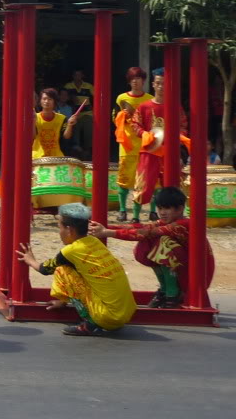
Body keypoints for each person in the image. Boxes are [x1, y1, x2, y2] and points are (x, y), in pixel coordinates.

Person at [16, 203, 136, 337]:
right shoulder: (94, 241)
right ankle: (65, 302)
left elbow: (45, 269)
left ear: (69, 230)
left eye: (59, 227)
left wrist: (30, 260)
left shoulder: (70, 251)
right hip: (126, 313)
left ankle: (90, 325)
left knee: (63, 270)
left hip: (107, 317)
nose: (59, 232)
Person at [90, 186, 214, 309]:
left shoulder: (183, 224)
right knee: (148, 243)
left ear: (180, 209)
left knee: (162, 241)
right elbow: (141, 227)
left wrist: (108, 232)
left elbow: (144, 233)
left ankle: (172, 294)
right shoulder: (165, 222)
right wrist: (107, 227)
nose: (162, 212)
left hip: (197, 275)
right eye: (160, 208)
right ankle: (165, 289)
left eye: (167, 208)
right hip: (184, 267)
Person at [134, 68, 187, 224]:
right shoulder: (144, 107)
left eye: (164, 84)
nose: (161, 87)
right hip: (149, 151)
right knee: (142, 184)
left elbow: (183, 126)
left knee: (170, 184)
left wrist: (175, 138)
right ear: (153, 85)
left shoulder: (175, 107)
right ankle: (135, 217)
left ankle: (169, 217)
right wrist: (145, 134)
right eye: (158, 83)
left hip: (168, 152)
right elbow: (136, 125)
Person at [114, 66, 152, 221]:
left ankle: (148, 211)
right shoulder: (121, 98)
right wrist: (123, 116)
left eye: (138, 79)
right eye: (132, 79)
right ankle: (123, 209)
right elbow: (114, 120)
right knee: (124, 177)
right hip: (127, 144)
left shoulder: (149, 99)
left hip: (145, 144)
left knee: (147, 179)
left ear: (143, 81)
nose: (135, 82)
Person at [32, 88, 77, 158]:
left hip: (56, 156)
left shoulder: (62, 118)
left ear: (55, 102)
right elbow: (33, 136)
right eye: (44, 99)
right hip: (37, 156)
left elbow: (66, 136)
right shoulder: (34, 117)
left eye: (50, 99)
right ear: (40, 101)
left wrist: (70, 125)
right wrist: (33, 122)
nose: (46, 101)